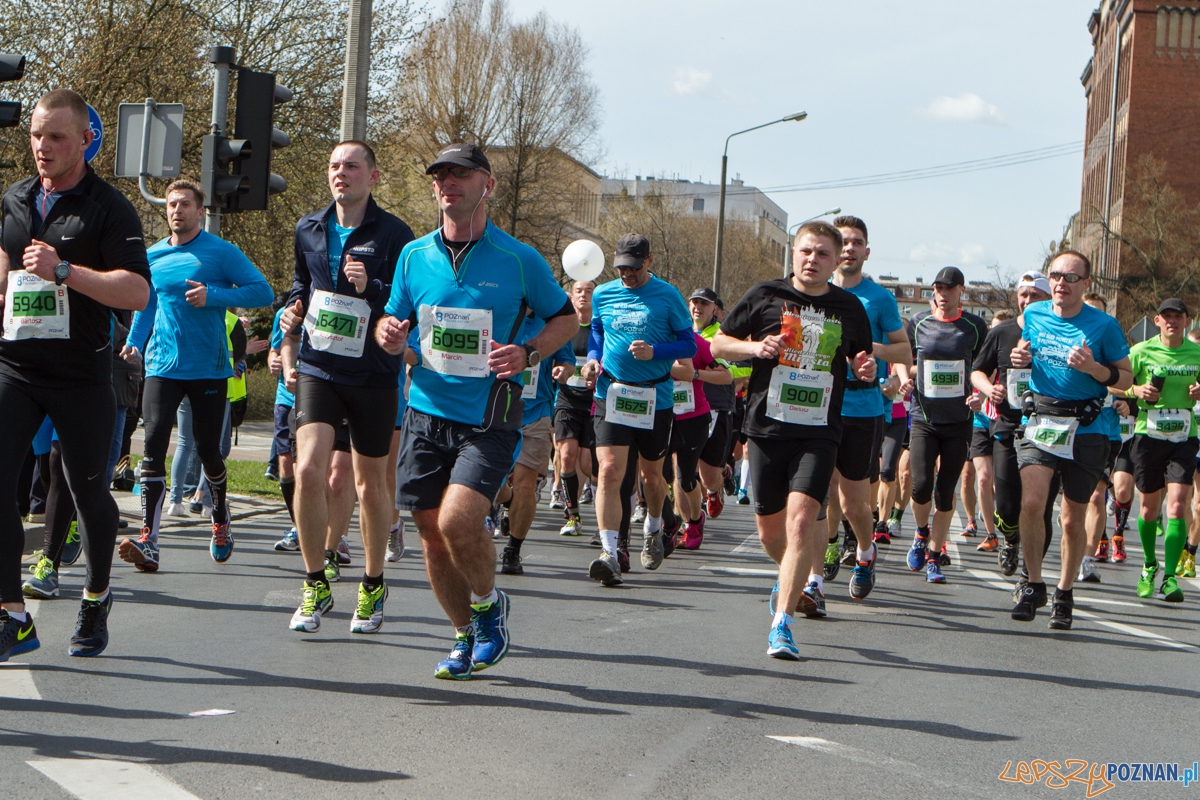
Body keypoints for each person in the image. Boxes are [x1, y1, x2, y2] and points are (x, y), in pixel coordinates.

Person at [375, 143, 574, 679]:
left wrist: (529, 351)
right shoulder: (414, 256)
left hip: (489, 416)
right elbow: (392, 320)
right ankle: (464, 634)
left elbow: (566, 319)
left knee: (457, 521)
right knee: (430, 535)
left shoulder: (519, 259)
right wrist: (388, 334)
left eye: (461, 174)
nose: (449, 182)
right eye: (440, 174)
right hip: (424, 411)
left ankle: (488, 605)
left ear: (488, 184)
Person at [0, 89, 151, 661]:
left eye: (56, 137)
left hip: (81, 375)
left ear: (85, 141)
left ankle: (96, 596)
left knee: (88, 491)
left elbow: (136, 291)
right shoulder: (16, 197)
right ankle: (14, 615)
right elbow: (6, 262)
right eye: (36, 135)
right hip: (16, 366)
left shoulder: (109, 208)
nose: (42, 146)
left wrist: (65, 271)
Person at [712, 221, 874, 660]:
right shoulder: (765, 295)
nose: (812, 260)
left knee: (802, 521)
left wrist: (865, 369)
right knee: (770, 534)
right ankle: (790, 575)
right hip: (767, 428)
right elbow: (719, 345)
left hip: (819, 432)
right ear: (793, 253)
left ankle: (781, 624)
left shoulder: (848, 307)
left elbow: (861, 360)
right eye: (806, 251)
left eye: (822, 253)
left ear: (836, 260)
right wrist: (755, 348)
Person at [279, 140, 415, 635]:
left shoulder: (396, 235)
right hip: (319, 365)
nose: (342, 173)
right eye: (335, 165)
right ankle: (315, 581)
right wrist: (292, 307)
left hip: (372, 372)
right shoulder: (309, 227)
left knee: (368, 485)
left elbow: (406, 302)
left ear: (372, 177)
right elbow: (302, 282)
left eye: (352, 166)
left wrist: (370, 288)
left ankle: (373, 583)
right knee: (308, 469)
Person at [118, 180, 272, 571]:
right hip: (162, 366)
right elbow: (147, 305)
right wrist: (135, 342)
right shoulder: (153, 255)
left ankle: (220, 518)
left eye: (185, 204)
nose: (177, 210)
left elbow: (262, 292)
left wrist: (214, 296)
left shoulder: (221, 253)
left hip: (208, 367)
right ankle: (150, 540)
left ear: (199, 211)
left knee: (207, 451)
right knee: (153, 445)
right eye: (172, 204)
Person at [1008, 251, 1131, 630]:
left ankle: (1064, 592)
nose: (1062, 283)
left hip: (1087, 428)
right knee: (1032, 502)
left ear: (1086, 284)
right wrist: (1020, 358)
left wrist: (1094, 368)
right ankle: (1033, 583)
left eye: (1071, 277)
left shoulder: (1105, 326)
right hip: (1042, 421)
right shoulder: (1034, 314)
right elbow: (1025, 354)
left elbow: (1126, 378)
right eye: (1056, 275)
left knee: (1072, 519)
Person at [580, 233, 696, 584]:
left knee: (651, 478)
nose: (627, 274)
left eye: (633, 268)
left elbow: (688, 344)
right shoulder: (603, 294)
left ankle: (655, 527)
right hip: (611, 391)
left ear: (649, 261)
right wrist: (592, 359)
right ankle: (609, 552)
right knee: (609, 471)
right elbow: (597, 332)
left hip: (654, 396)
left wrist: (655, 352)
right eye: (621, 268)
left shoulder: (668, 295)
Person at [826, 215, 910, 600]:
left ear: (866, 252)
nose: (849, 248)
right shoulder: (815, 293)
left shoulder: (879, 298)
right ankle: (825, 552)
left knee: (852, 499)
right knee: (822, 489)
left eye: (856, 242)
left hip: (862, 407)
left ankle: (864, 550)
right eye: (843, 241)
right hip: (820, 405)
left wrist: (868, 347)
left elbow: (903, 350)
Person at [903, 267, 988, 583]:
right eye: (938, 288)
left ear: (961, 291)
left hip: (959, 420)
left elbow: (985, 367)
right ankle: (921, 532)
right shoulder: (918, 323)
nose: (942, 293)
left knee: (945, 492)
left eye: (949, 288)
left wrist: (980, 395)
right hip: (924, 417)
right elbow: (904, 358)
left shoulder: (974, 327)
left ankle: (935, 556)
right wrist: (904, 378)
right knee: (921, 485)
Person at [971, 271, 1057, 578]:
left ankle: (1031, 574)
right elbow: (977, 371)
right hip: (1008, 425)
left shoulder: (1058, 333)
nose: (1028, 300)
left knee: (1039, 506)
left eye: (1036, 295)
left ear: (1048, 299)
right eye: (1024, 294)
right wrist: (987, 389)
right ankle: (1010, 538)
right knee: (1007, 505)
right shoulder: (1002, 332)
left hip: (1047, 428)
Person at [1117, 298, 1200, 603]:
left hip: (1184, 436)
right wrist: (1136, 390)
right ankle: (1150, 565)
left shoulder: (1196, 353)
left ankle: (1170, 578)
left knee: (1177, 506)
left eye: (1178, 317)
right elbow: (1112, 383)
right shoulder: (1141, 351)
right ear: (1157, 321)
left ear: (1187, 322)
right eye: (1166, 317)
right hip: (1148, 436)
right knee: (1149, 510)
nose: (1172, 322)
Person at [498, 314, 575, 575]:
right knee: (495, 486)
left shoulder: (551, 322)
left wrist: (563, 371)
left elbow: (567, 361)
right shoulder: (501, 312)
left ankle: (513, 549)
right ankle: (507, 500)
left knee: (525, 484)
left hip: (536, 413)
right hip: (496, 413)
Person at [553, 279, 597, 538]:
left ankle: (602, 517)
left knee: (588, 464)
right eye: (579, 291)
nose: (584, 295)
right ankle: (572, 515)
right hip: (568, 398)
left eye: (589, 291)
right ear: (571, 297)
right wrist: (558, 370)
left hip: (594, 402)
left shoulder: (599, 328)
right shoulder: (565, 326)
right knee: (567, 456)